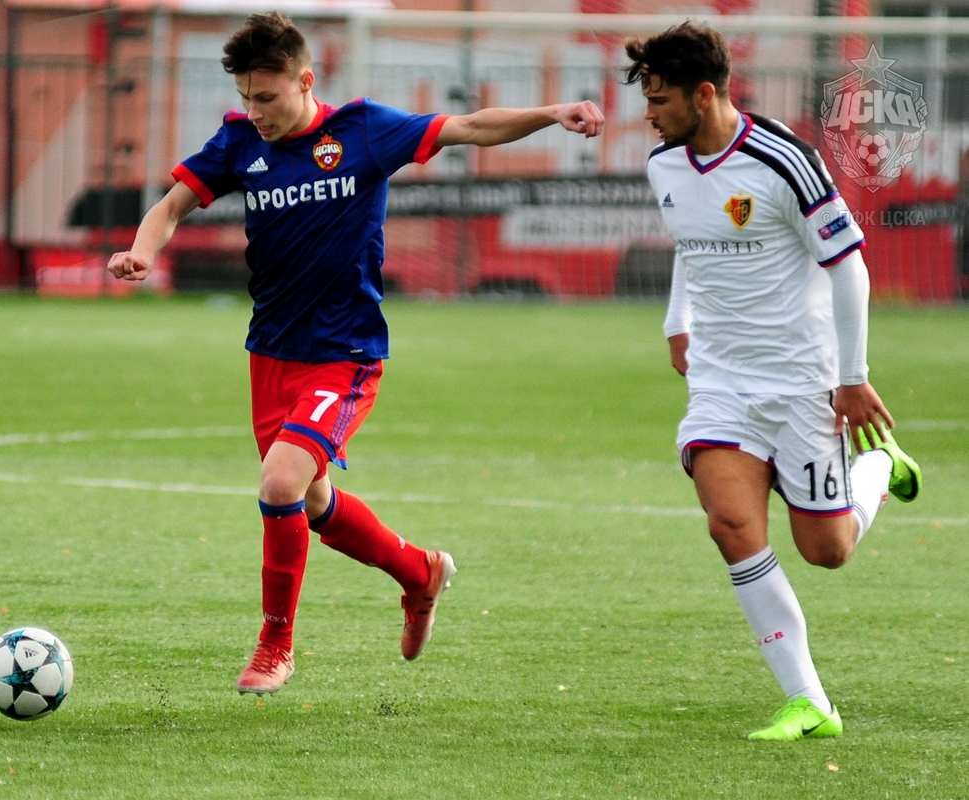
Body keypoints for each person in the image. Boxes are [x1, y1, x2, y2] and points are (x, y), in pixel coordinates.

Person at [107, 11, 605, 696]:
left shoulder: (362, 131)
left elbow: (469, 127)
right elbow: (169, 207)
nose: (256, 112)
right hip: (271, 354)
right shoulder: (238, 142)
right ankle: (419, 572)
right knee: (311, 502)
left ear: (305, 81)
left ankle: (275, 647)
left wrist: (551, 114)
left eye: (267, 97)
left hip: (345, 353)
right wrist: (140, 251)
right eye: (247, 97)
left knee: (279, 484)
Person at [624, 23, 923, 740]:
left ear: (704, 94)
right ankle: (809, 701)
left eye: (659, 100)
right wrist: (677, 322)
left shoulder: (785, 160)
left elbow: (849, 266)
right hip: (721, 381)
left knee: (828, 551)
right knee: (730, 525)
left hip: (800, 380)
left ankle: (876, 469)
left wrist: (852, 379)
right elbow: (692, 244)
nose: (649, 115)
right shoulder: (664, 166)